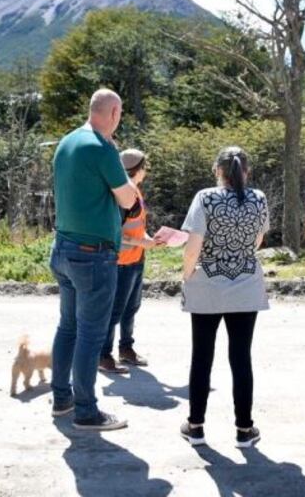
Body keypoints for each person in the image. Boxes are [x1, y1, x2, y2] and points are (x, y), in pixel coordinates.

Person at [49, 88, 139, 431]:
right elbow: (128, 198)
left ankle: (62, 399)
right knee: (90, 332)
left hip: (64, 248)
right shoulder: (102, 148)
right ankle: (87, 410)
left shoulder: (68, 141)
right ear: (113, 113)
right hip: (93, 255)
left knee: (68, 326)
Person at [179, 146, 269, 449]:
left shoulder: (205, 197)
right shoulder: (258, 198)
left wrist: (186, 275)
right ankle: (244, 428)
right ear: (246, 171)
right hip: (246, 283)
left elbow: (193, 245)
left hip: (207, 282)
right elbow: (257, 240)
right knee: (241, 358)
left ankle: (196, 426)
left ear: (218, 170)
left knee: (201, 356)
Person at [99, 148, 164, 374]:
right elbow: (114, 232)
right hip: (122, 261)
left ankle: (126, 350)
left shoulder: (133, 191)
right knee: (115, 311)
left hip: (135, 259)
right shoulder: (125, 194)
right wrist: (141, 243)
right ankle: (103, 355)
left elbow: (135, 229)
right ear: (139, 169)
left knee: (131, 308)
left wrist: (149, 240)